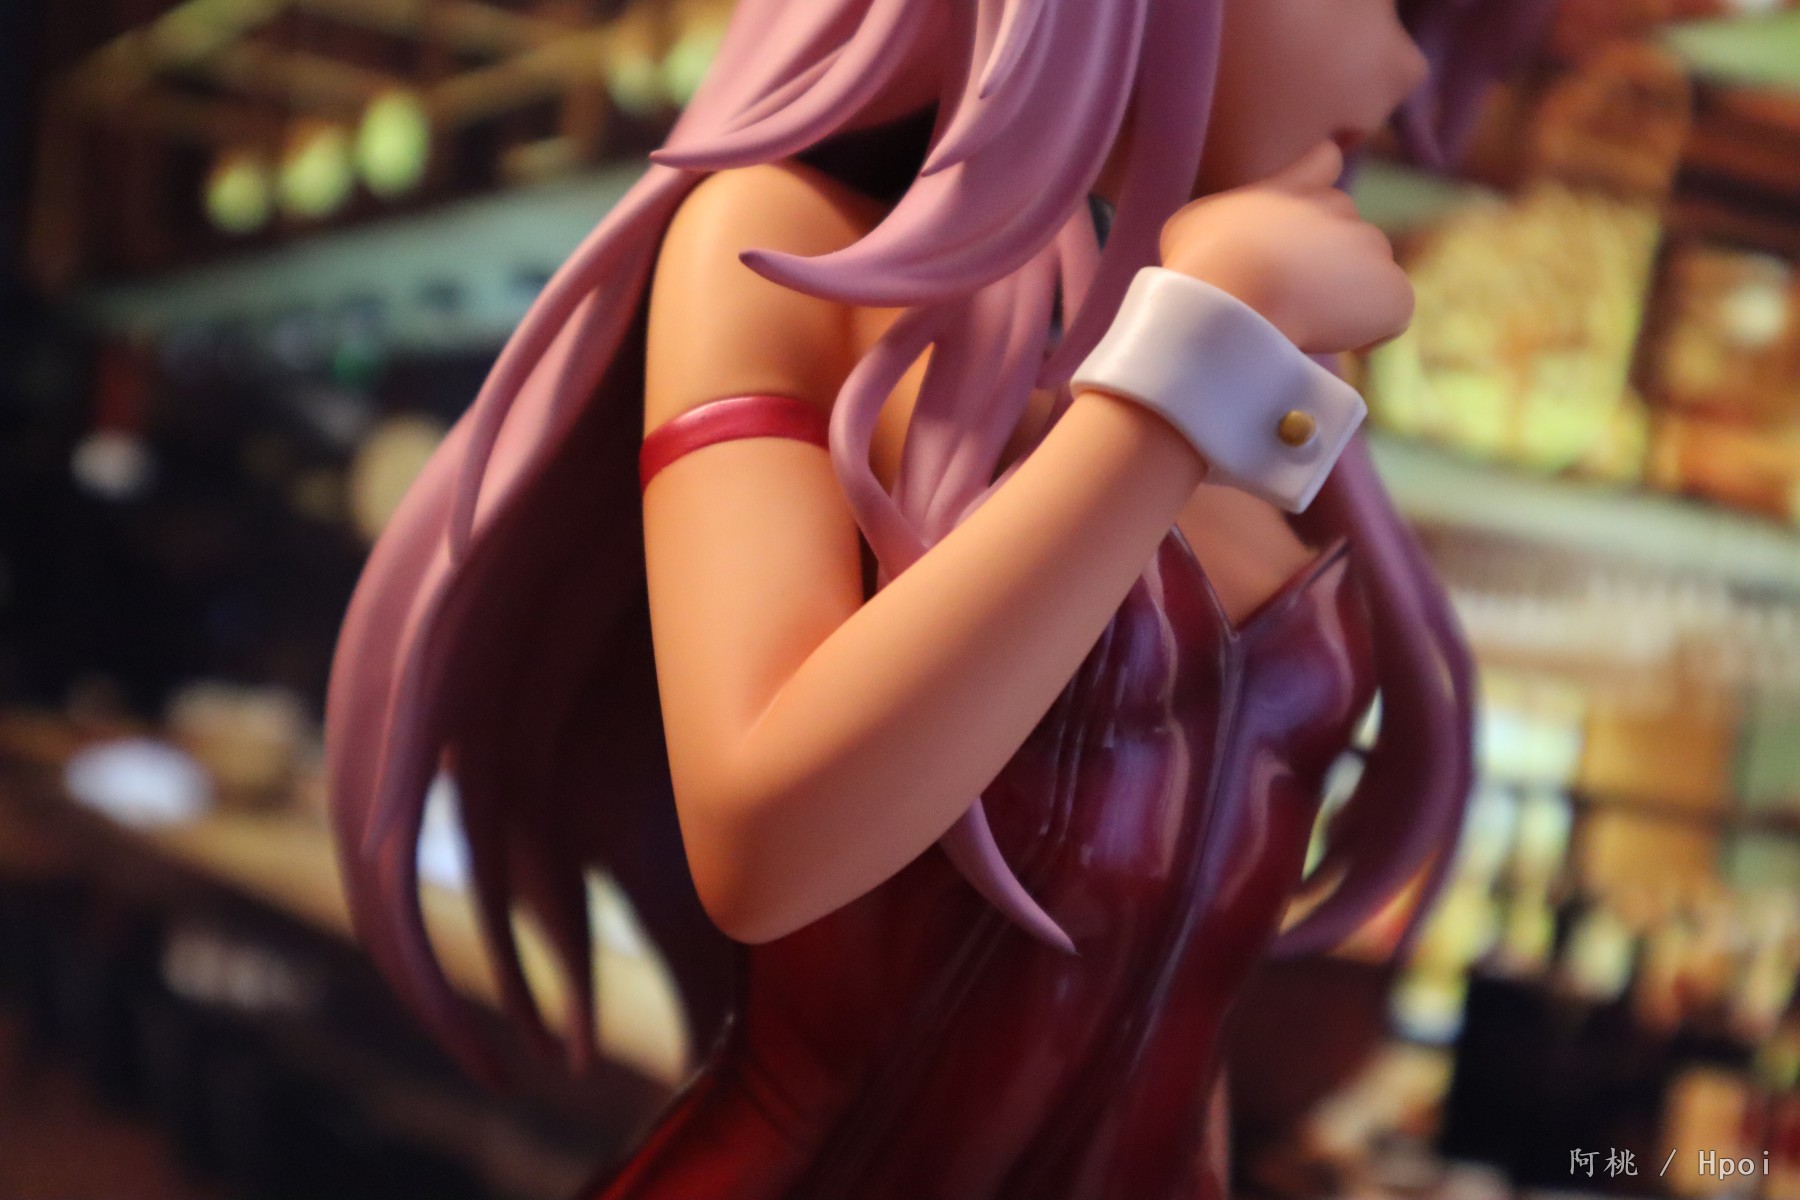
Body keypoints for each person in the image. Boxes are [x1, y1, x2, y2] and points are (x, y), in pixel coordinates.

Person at [326, 0, 1555, 1195]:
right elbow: (763, 843)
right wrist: (1190, 370)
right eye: (1389, 2)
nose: (1405, 75)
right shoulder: (782, 243)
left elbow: (1188, 991)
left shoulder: (1259, 355)